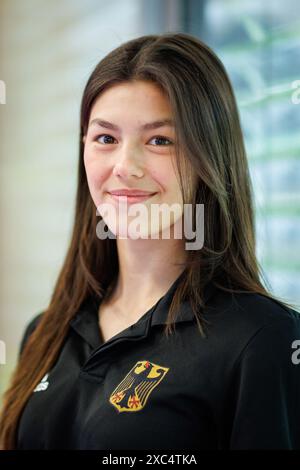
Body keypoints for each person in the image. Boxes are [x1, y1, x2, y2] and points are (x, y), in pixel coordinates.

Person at [0, 32, 299, 450]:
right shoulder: (46, 331)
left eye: (160, 140)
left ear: (208, 156)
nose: (125, 166)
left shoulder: (262, 338)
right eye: (106, 138)